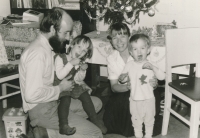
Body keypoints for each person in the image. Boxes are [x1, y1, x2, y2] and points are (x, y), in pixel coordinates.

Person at [19, 7, 103, 138]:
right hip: (42, 110)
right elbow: (31, 95)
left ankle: (46, 133)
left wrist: (80, 83)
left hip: (54, 101)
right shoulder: (37, 54)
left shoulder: (48, 47)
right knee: (95, 134)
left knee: (96, 103)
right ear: (53, 29)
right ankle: (49, 130)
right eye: (65, 33)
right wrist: (60, 89)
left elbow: (59, 75)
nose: (68, 38)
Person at [103, 22, 161, 137]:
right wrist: (128, 87)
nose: (119, 41)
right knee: (120, 103)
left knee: (151, 99)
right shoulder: (111, 58)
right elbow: (114, 87)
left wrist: (154, 83)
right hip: (124, 91)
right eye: (115, 38)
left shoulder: (138, 51)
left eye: (122, 36)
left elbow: (152, 77)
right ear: (111, 41)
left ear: (129, 37)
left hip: (145, 92)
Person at [54, 35, 107, 135]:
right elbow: (60, 75)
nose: (81, 52)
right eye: (79, 47)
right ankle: (63, 125)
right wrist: (71, 63)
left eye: (84, 51)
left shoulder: (78, 62)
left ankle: (95, 119)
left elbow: (78, 80)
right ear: (72, 44)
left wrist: (82, 71)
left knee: (84, 94)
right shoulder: (60, 58)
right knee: (66, 99)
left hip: (72, 84)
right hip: (60, 85)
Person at [118, 34, 165, 138]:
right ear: (131, 52)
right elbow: (123, 79)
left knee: (149, 121)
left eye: (142, 48)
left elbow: (162, 77)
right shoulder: (129, 65)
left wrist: (153, 68)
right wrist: (123, 78)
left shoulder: (151, 64)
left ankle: (148, 136)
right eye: (135, 49)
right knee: (136, 122)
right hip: (135, 100)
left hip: (149, 99)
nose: (139, 52)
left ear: (148, 50)